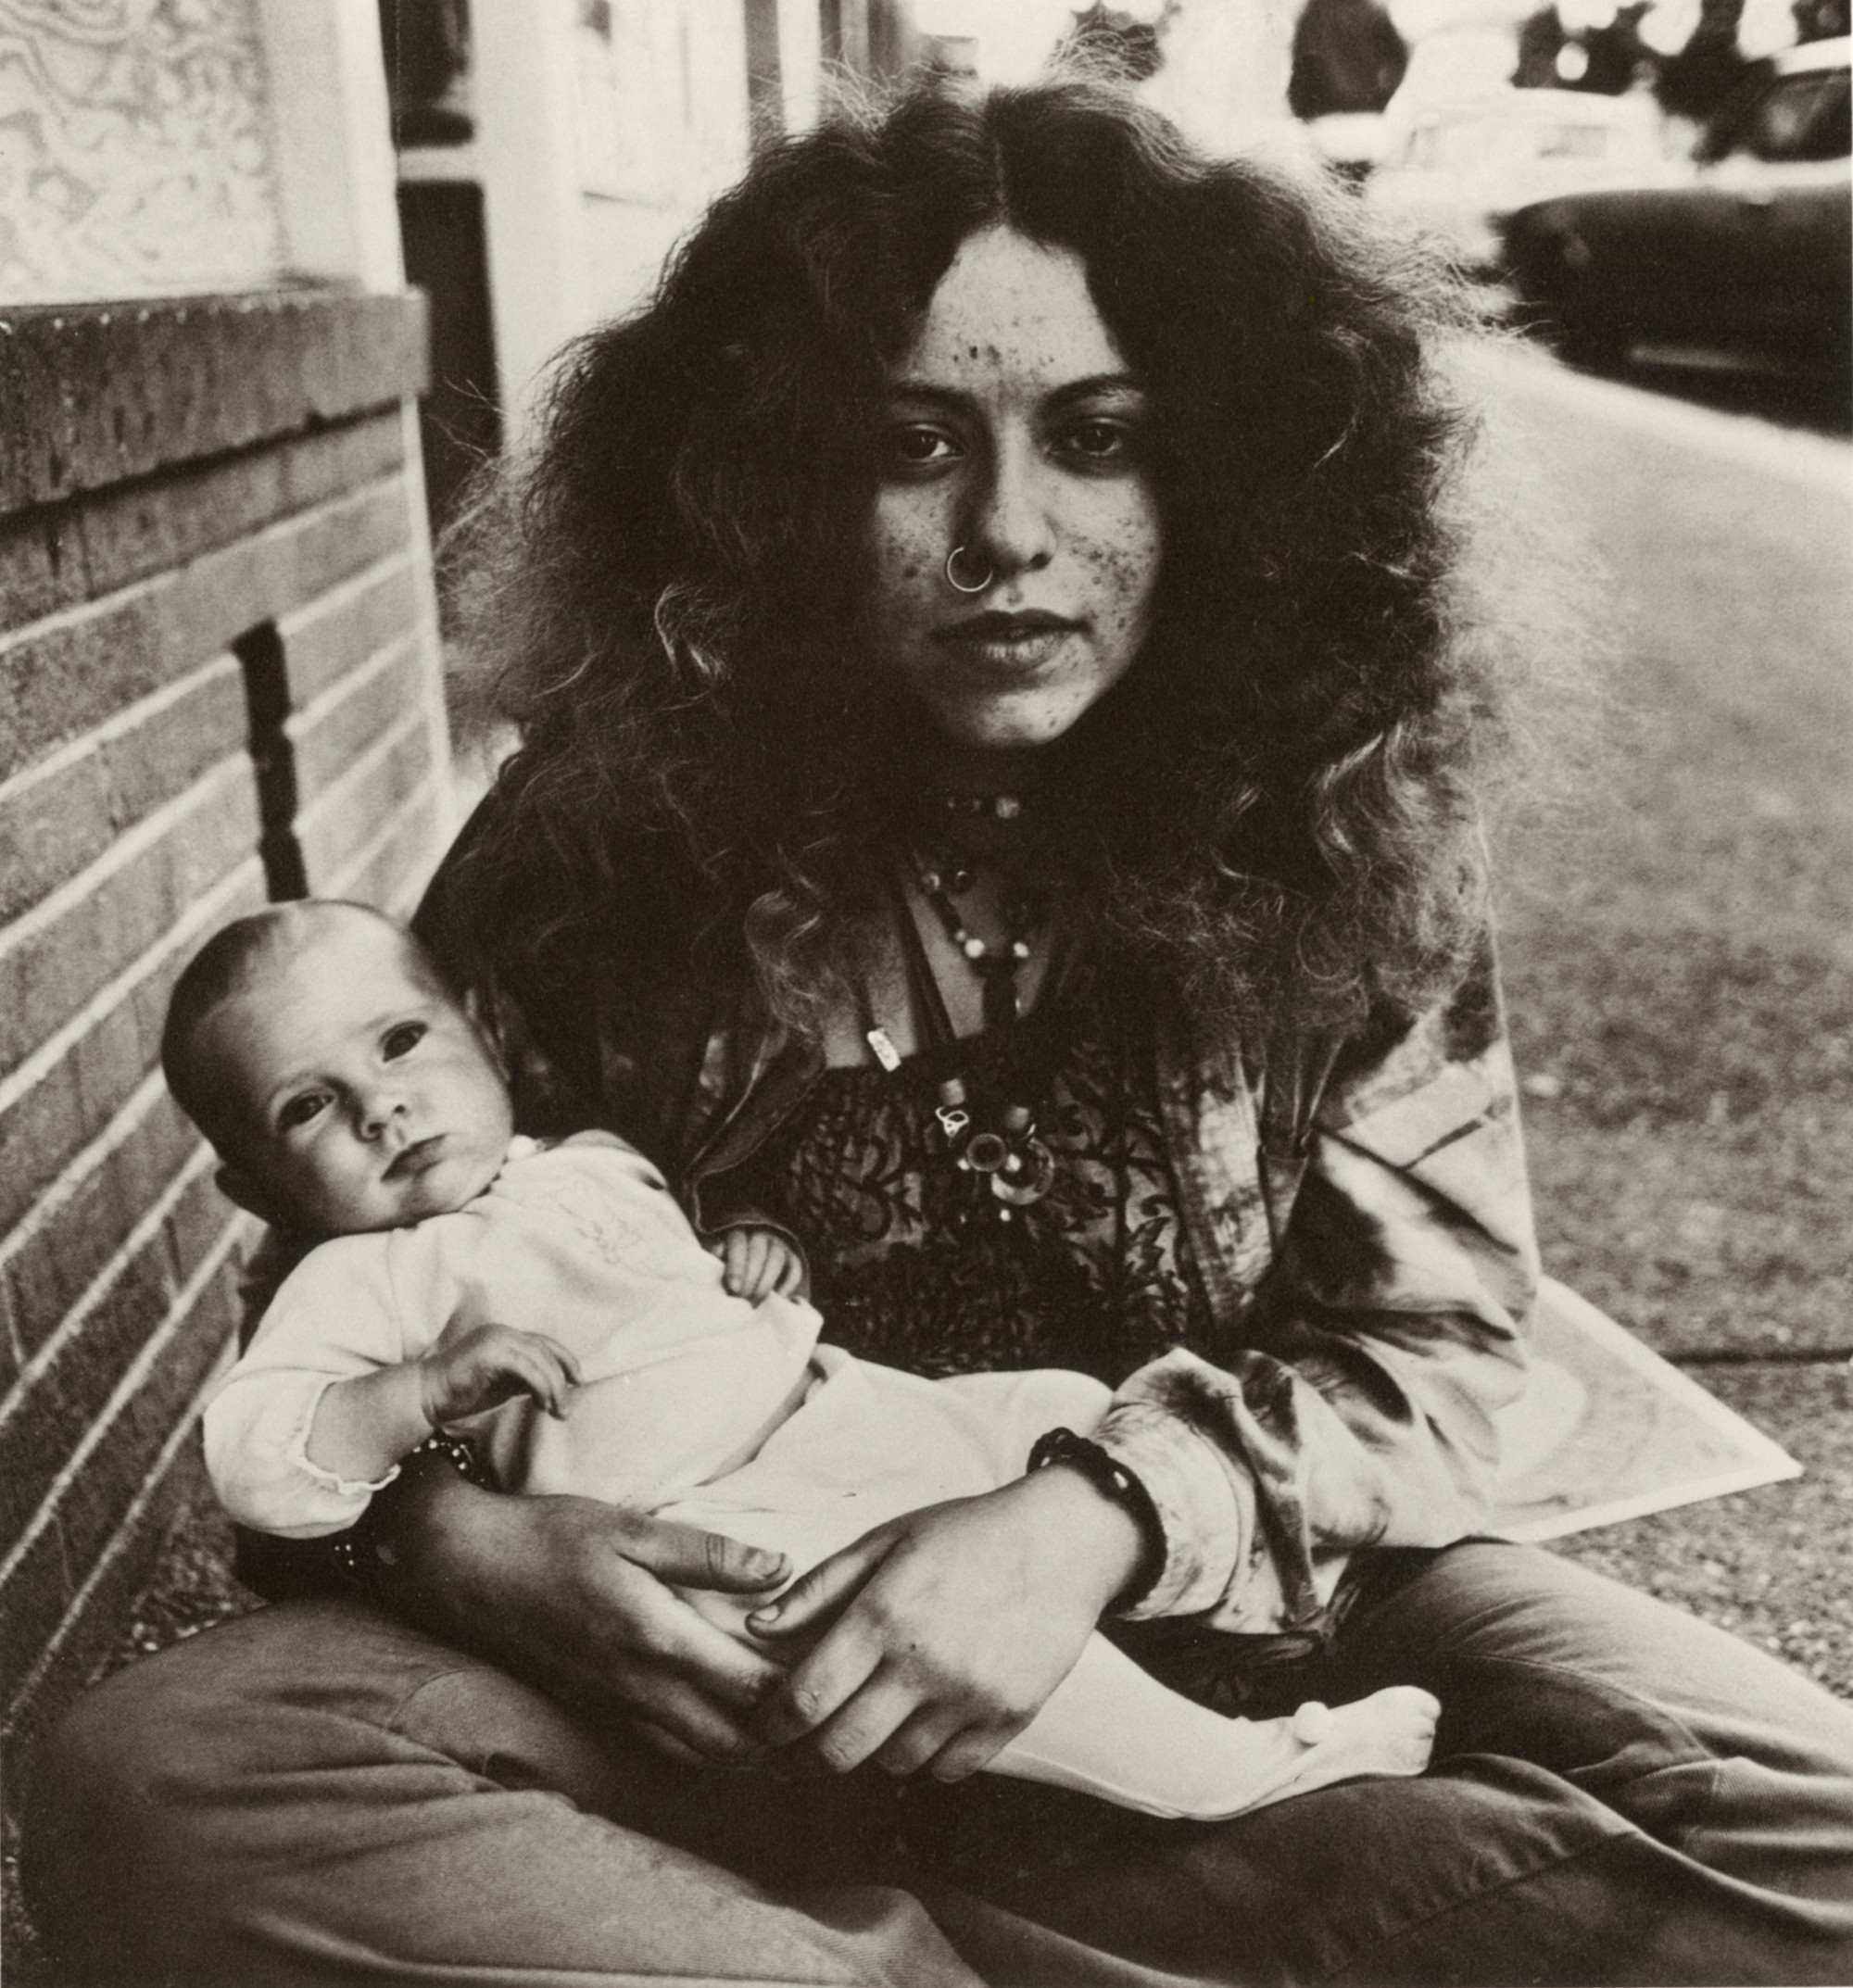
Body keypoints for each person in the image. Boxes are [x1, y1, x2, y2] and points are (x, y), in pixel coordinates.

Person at [26, 73, 1853, 1987]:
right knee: (155, 1776)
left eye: (1098, 437)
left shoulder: (1343, 818)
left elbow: (1444, 1355)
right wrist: (455, 1547)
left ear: (1219, 475)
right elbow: (347, 1275)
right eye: (915, 448)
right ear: (791, 480)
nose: (1006, 531)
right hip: (710, 1666)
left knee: (1818, 1850)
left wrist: (1095, 1518)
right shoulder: (607, 820)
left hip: (1213, 1618)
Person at [177, 897, 1439, 1823]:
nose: (382, 1107)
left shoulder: (586, 1160)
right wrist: (412, 1406)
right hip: (709, 1518)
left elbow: (664, 1263)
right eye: (309, 1106)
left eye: (401, 1044)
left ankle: (1219, 1632)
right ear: (256, 1182)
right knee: (880, 1626)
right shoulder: (363, 1275)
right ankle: (1228, 1771)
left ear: (483, 1033)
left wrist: (751, 1242)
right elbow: (256, 1449)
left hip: (837, 1408)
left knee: (1061, 1416)